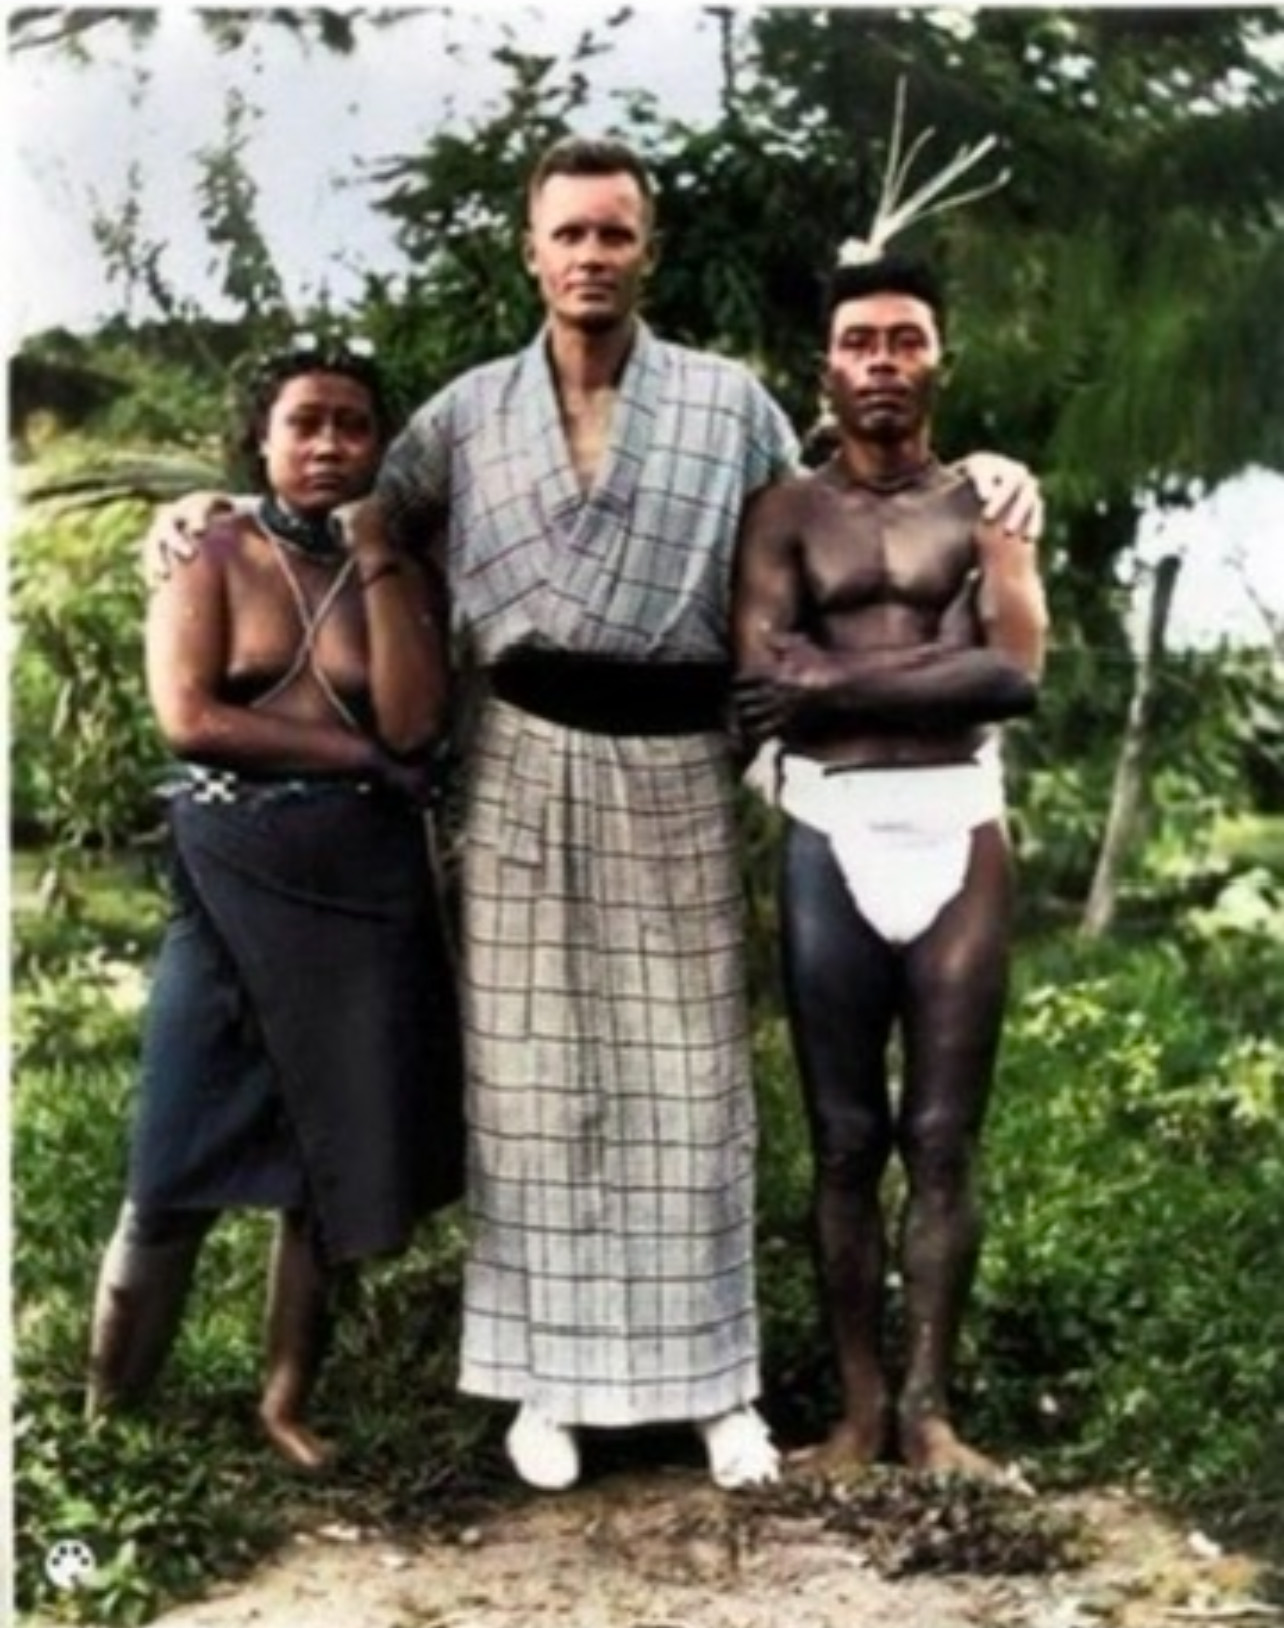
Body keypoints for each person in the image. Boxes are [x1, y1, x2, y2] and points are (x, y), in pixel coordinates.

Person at [143, 134, 1043, 1494]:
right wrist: (205, 512)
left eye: (615, 234)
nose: (591, 257)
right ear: (533, 249)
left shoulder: (729, 404)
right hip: (513, 765)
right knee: (532, 1086)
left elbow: (852, 488)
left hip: (676, 759)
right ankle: (548, 1390)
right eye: (568, 234)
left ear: (647, 251)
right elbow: (337, 515)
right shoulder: (460, 414)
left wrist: (988, 467)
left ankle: (716, 1390)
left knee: (692, 1084)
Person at [86, 341, 464, 1470]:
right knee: (174, 1146)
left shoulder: (395, 560)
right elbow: (190, 716)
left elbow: (410, 725)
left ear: (378, 443)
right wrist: (355, 755)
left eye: (354, 424)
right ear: (263, 434)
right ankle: (114, 1404)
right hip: (234, 876)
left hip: (366, 887)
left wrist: (382, 554)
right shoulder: (210, 544)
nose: (329, 444)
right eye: (306, 421)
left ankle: (286, 1400)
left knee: (331, 1150)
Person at [731, 249, 1048, 1481]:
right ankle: (860, 1414)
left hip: (958, 822)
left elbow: (1011, 674)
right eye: (861, 342)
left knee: (943, 1133)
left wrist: (832, 672)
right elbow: (762, 691)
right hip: (831, 826)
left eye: (905, 340)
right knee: (848, 1135)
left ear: (937, 361)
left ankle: (932, 1412)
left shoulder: (989, 504)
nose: (882, 363)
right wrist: (921, 668)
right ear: (828, 365)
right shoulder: (785, 513)